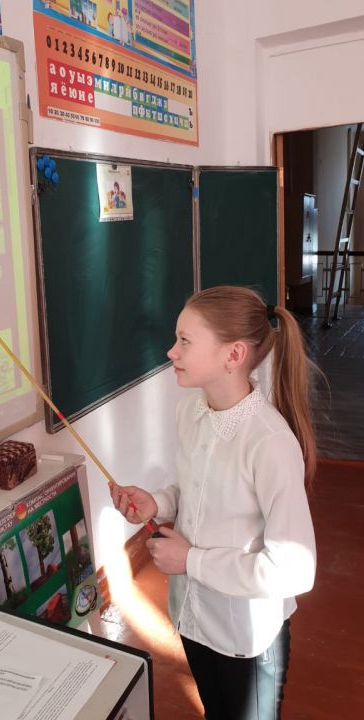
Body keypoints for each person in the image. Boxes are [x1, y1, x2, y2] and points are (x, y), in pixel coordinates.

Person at [110, 285, 317, 720]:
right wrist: (157, 504)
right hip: (192, 617)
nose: (171, 352)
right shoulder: (191, 413)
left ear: (233, 355)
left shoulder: (269, 442)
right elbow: (195, 490)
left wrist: (191, 560)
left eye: (185, 341)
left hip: (246, 636)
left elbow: (294, 570)